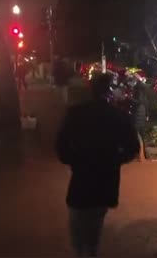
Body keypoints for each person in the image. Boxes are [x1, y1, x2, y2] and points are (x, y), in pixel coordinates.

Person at [55, 73, 140, 257]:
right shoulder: (119, 116)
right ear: (109, 91)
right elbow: (133, 147)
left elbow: (61, 144)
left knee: (78, 219)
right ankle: (90, 251)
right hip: (106, 177)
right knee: (95, 222)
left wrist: (74, 160)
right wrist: (115, 160)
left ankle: (81, 251)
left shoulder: (76, 113)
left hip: (81, 175)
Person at [127, 72, 149, 161]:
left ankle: (140, 154)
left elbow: (138, 101)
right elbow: (145, 102)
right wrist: (147, 114)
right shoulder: (142, 88)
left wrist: (128, 98)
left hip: (138, 113)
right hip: (141, 112)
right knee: (140, 133)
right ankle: (143, 154)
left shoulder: (138, 88)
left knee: (137, 133)